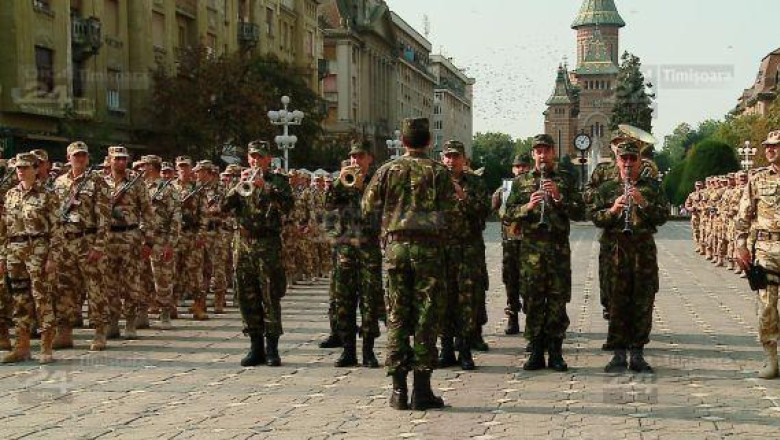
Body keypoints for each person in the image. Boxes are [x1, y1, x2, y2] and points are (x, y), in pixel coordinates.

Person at [362, 117, 456, 411]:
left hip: (396, 249)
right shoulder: (439, 172)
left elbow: (367, 206)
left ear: (403, 142)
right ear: (429, 141)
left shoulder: (387, 170)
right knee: (427, 317)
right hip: (429, 250)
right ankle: (422, 391)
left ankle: (398, 391)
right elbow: (452, 211)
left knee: (397, 316)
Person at [588, 141, 669, 373]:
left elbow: (662, 217)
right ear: (617, 161)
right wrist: (613, 210)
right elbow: (595, 218)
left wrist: (642, 202)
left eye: (633, 159)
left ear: (639, 161)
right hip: (614, 253)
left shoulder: (652, 187)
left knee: (643, 302)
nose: (628, 163)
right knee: (616, 303)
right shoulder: (605, 188)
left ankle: (638, 353)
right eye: (624, 159)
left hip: (642, 253)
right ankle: (618, 353)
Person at [502, 134, 576, 372]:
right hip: (530, 252)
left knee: (557, 301)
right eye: (538, 151)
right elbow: (506, 214)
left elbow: (581, 211)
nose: (542, 155)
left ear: (553, 152)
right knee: (532, 301)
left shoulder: (565, 178)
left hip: (557, 252)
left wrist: (557, 196)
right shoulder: (521, 182)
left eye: (546, 150)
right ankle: (535, 349)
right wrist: (528, 206)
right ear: (533, 154)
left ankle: (555, 351)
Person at [221, 141, 293, 367]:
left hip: (267, 244)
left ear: (268, 159)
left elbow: (289, 206)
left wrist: (266, 187)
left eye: (260, 157)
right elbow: (223, 206)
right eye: (252, 157)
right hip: (243, 244)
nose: (255, 161)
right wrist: (237, 186)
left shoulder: (279, 181)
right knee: (246, 296)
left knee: (270, 295)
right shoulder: (239, 181)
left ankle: (272, 349)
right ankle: (255, 347)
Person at [0, 152, 63, 363]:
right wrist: (2, 257)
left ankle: (46, 345)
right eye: (18, 168)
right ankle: (22, 346)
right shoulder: (10, 195)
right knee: (19, 299)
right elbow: (4, 228)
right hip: (15, 251)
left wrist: (53, 256)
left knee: (41, 297)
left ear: (36, 170)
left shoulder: (47, 195)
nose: (20, 171)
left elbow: (57, 228)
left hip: (38, 249)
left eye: (25, 168)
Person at [326, 140, 384, 368]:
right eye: (352, 156)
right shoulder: (340, 180)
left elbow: (384, 211)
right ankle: (348, 350)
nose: (355, 161)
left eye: (360, 156)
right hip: (345, 249)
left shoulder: (377, 181)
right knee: (344, 301)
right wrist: (341, 184)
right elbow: (327, 204)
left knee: (369, 302)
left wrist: (363, 190)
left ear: (369, 158)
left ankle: (368, 351)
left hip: (368, 248)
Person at [52, 141, 112, 350]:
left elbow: (104, 217)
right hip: (65, 242)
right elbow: (55, 216)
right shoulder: (58, 183)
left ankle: (99, 331)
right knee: (65, 288)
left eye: (83, 155)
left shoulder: (97, 182)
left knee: (95, 287)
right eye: (76, 155)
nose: (79, 159)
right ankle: (65, 331)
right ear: (68, 158)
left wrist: (99, 246)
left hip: (88, 240)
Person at [438, 140, 489, 370]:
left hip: (469, 251)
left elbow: (484, 210)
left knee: (467, 302)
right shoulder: (435, 183)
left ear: (464, 160)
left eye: (455, 156)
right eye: (448, 157)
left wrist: (462, 196)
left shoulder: (475, 183)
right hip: (443, 251)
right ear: (442, 159)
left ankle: (465, 350)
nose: (451, 161)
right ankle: (446, 349)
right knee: (443, 301)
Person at [736, 130, 780, 379]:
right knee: (767, 307)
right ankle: (772, 360)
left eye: (775, 146)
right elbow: (744, 215)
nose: (770, 149)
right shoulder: (758, 180)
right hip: (766, 251)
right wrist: (741, 245)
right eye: (767, 146)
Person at [104, 146, 155, 339]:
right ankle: (112, 321)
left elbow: (148, 212)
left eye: (123, 159)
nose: (120, 162)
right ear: (109, 160)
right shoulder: (101, 182)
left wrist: (148, 241)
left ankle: (131, 321)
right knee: (109, 282)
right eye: (116, 159)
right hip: (108, 238)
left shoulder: (136, 183)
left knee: (131, 281)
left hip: (130, 236)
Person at [492, 153, 531, 336]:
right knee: (510, 281)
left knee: (530, 282)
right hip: (510, 244)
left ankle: (532, 319)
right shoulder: (504, 189)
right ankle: (512, 317)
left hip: (530, 243)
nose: (521, 169)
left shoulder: (533, 188)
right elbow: (494, 209)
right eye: (518, 167)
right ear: (513, 169)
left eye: (524, 166)